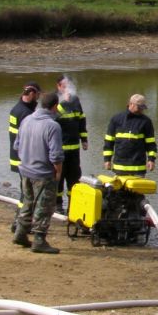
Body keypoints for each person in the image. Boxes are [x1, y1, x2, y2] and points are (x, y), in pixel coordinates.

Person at [12, 91, 64, 254]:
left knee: (27, 202)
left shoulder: (26, 120)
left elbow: (16, 145)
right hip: (43, 173)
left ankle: (20, 233)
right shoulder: (53, 126)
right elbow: (56, 155)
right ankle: (39, 241)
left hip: (25, 170)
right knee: (45, 207)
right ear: (55, 106)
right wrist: (58, 172)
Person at [55, 74, 88, 213]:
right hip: (59, 150)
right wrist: (64, 102)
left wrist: (84, 139)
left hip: (74, 150)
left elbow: (81, 119)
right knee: (58, 178)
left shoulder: (75, 100)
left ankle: (72, 206)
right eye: (64, 86)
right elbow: (53, 117)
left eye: (69, 85)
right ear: (58, 86)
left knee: (74, 178)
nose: (67, 89)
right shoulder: (55, 100)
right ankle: (57, 206)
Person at [103, 93, 157, 176]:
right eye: (139, 107)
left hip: (138, 168)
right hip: (120, 167)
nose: (141, 110)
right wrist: (107, 160)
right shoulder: (116, 119)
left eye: (142, 108)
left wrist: (151, 160)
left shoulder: (146, 121)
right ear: (131, 104)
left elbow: (151, 143)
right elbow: (109, 141)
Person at [8, 82, 41, 176]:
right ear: (32, 94)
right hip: (25, 160)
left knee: (23, 183)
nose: (38, 98)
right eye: (38, 95)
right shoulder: (27, 113)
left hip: (16, 156)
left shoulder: (15, 109)